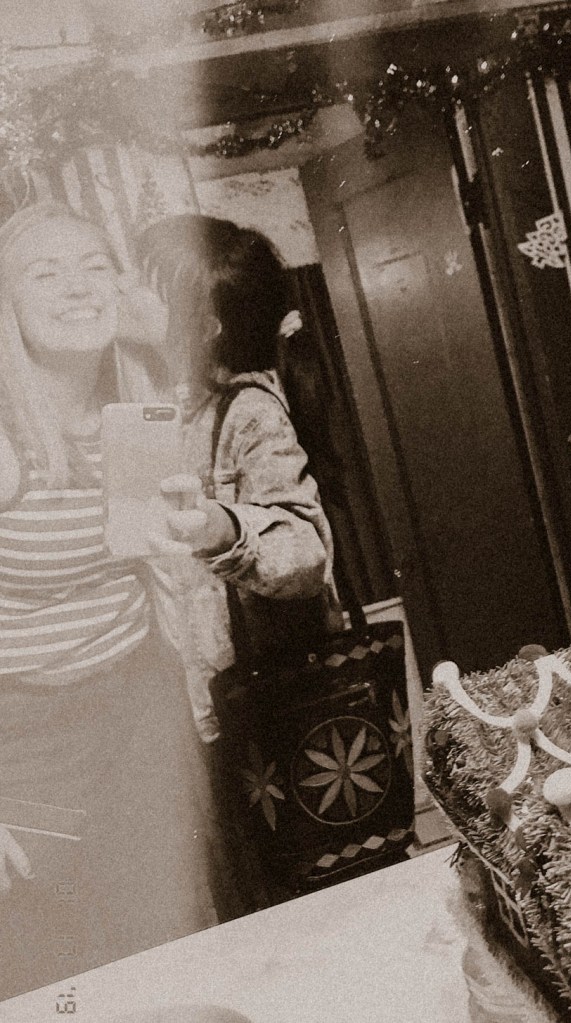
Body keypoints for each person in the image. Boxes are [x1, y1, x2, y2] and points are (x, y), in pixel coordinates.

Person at [0, 201, 220, 1002]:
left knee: (169, 944)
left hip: (137, 704)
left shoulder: (134, 410)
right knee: (52, 975)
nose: (78, 285)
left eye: (96, 265)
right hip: (22, 735)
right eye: (45, 272)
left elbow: (147, 556)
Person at [132, 215, 344, 744]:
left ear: (204, 327)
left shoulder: (248, 410)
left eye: (144, 282)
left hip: (256, 705)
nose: (122, 288)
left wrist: (223, 528)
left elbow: (304, 552)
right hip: (198, 697)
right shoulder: (173, 404)